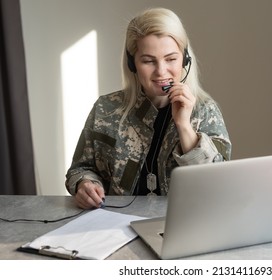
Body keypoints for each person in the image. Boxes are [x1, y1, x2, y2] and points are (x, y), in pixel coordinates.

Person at [65, 7, 232, 209]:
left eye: (171, 59)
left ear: (185, 59)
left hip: (181, 224)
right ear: (132, 63)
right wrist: (85, 184)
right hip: (117, 225)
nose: (161, 72)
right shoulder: (105, 109)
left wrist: (184, 126)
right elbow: (80, 169)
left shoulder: (205, 111)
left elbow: (217, 186)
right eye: (148, 61)